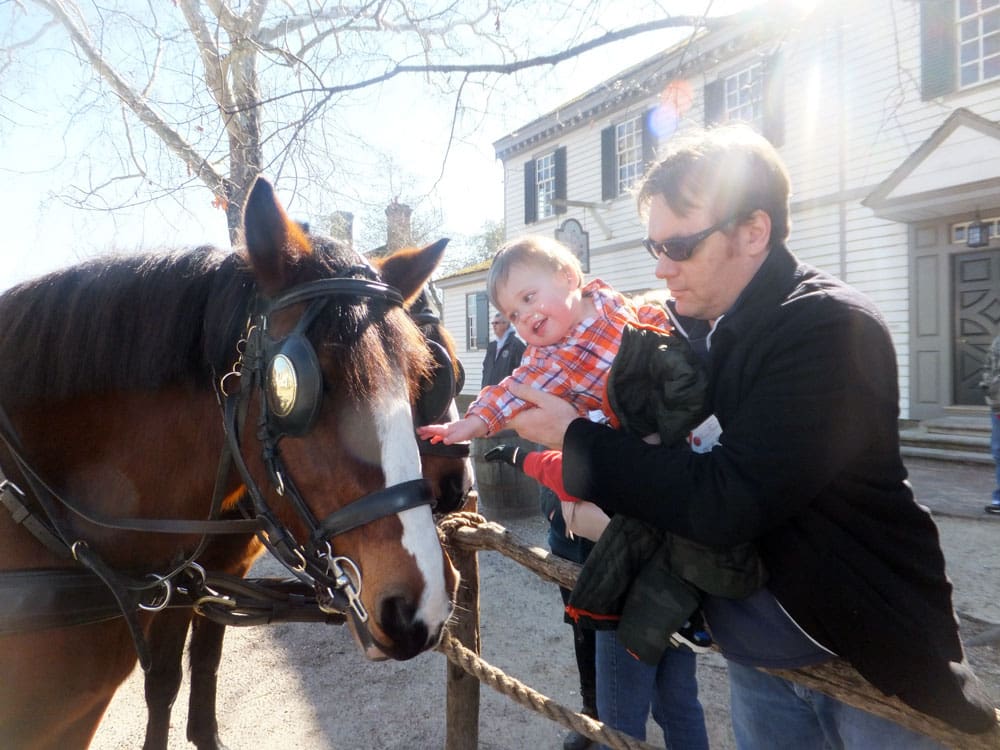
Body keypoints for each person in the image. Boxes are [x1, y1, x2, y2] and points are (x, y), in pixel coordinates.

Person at [506, 123, 997, 748]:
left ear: (753, 232)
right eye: (655, 246)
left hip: (864, 656)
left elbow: (725, 500)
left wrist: (575, 440)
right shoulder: (695, 329)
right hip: (761, 660)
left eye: (679, 247)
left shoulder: (827, 326)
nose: (661, 267)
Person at [979, 332, 1000, 515]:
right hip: (998, 405)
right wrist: (988, 387)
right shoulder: (997, 342)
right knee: (999, 451)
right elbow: (988, 366)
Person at [481, 312, 526, 388]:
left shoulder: (517, 345)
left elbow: (521, 374)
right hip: (489, 394)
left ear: (506, 324)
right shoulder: (492, 346)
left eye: (497, 323)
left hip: (506, 395)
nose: (494, 326)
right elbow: (485, 371)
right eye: (493, 323)